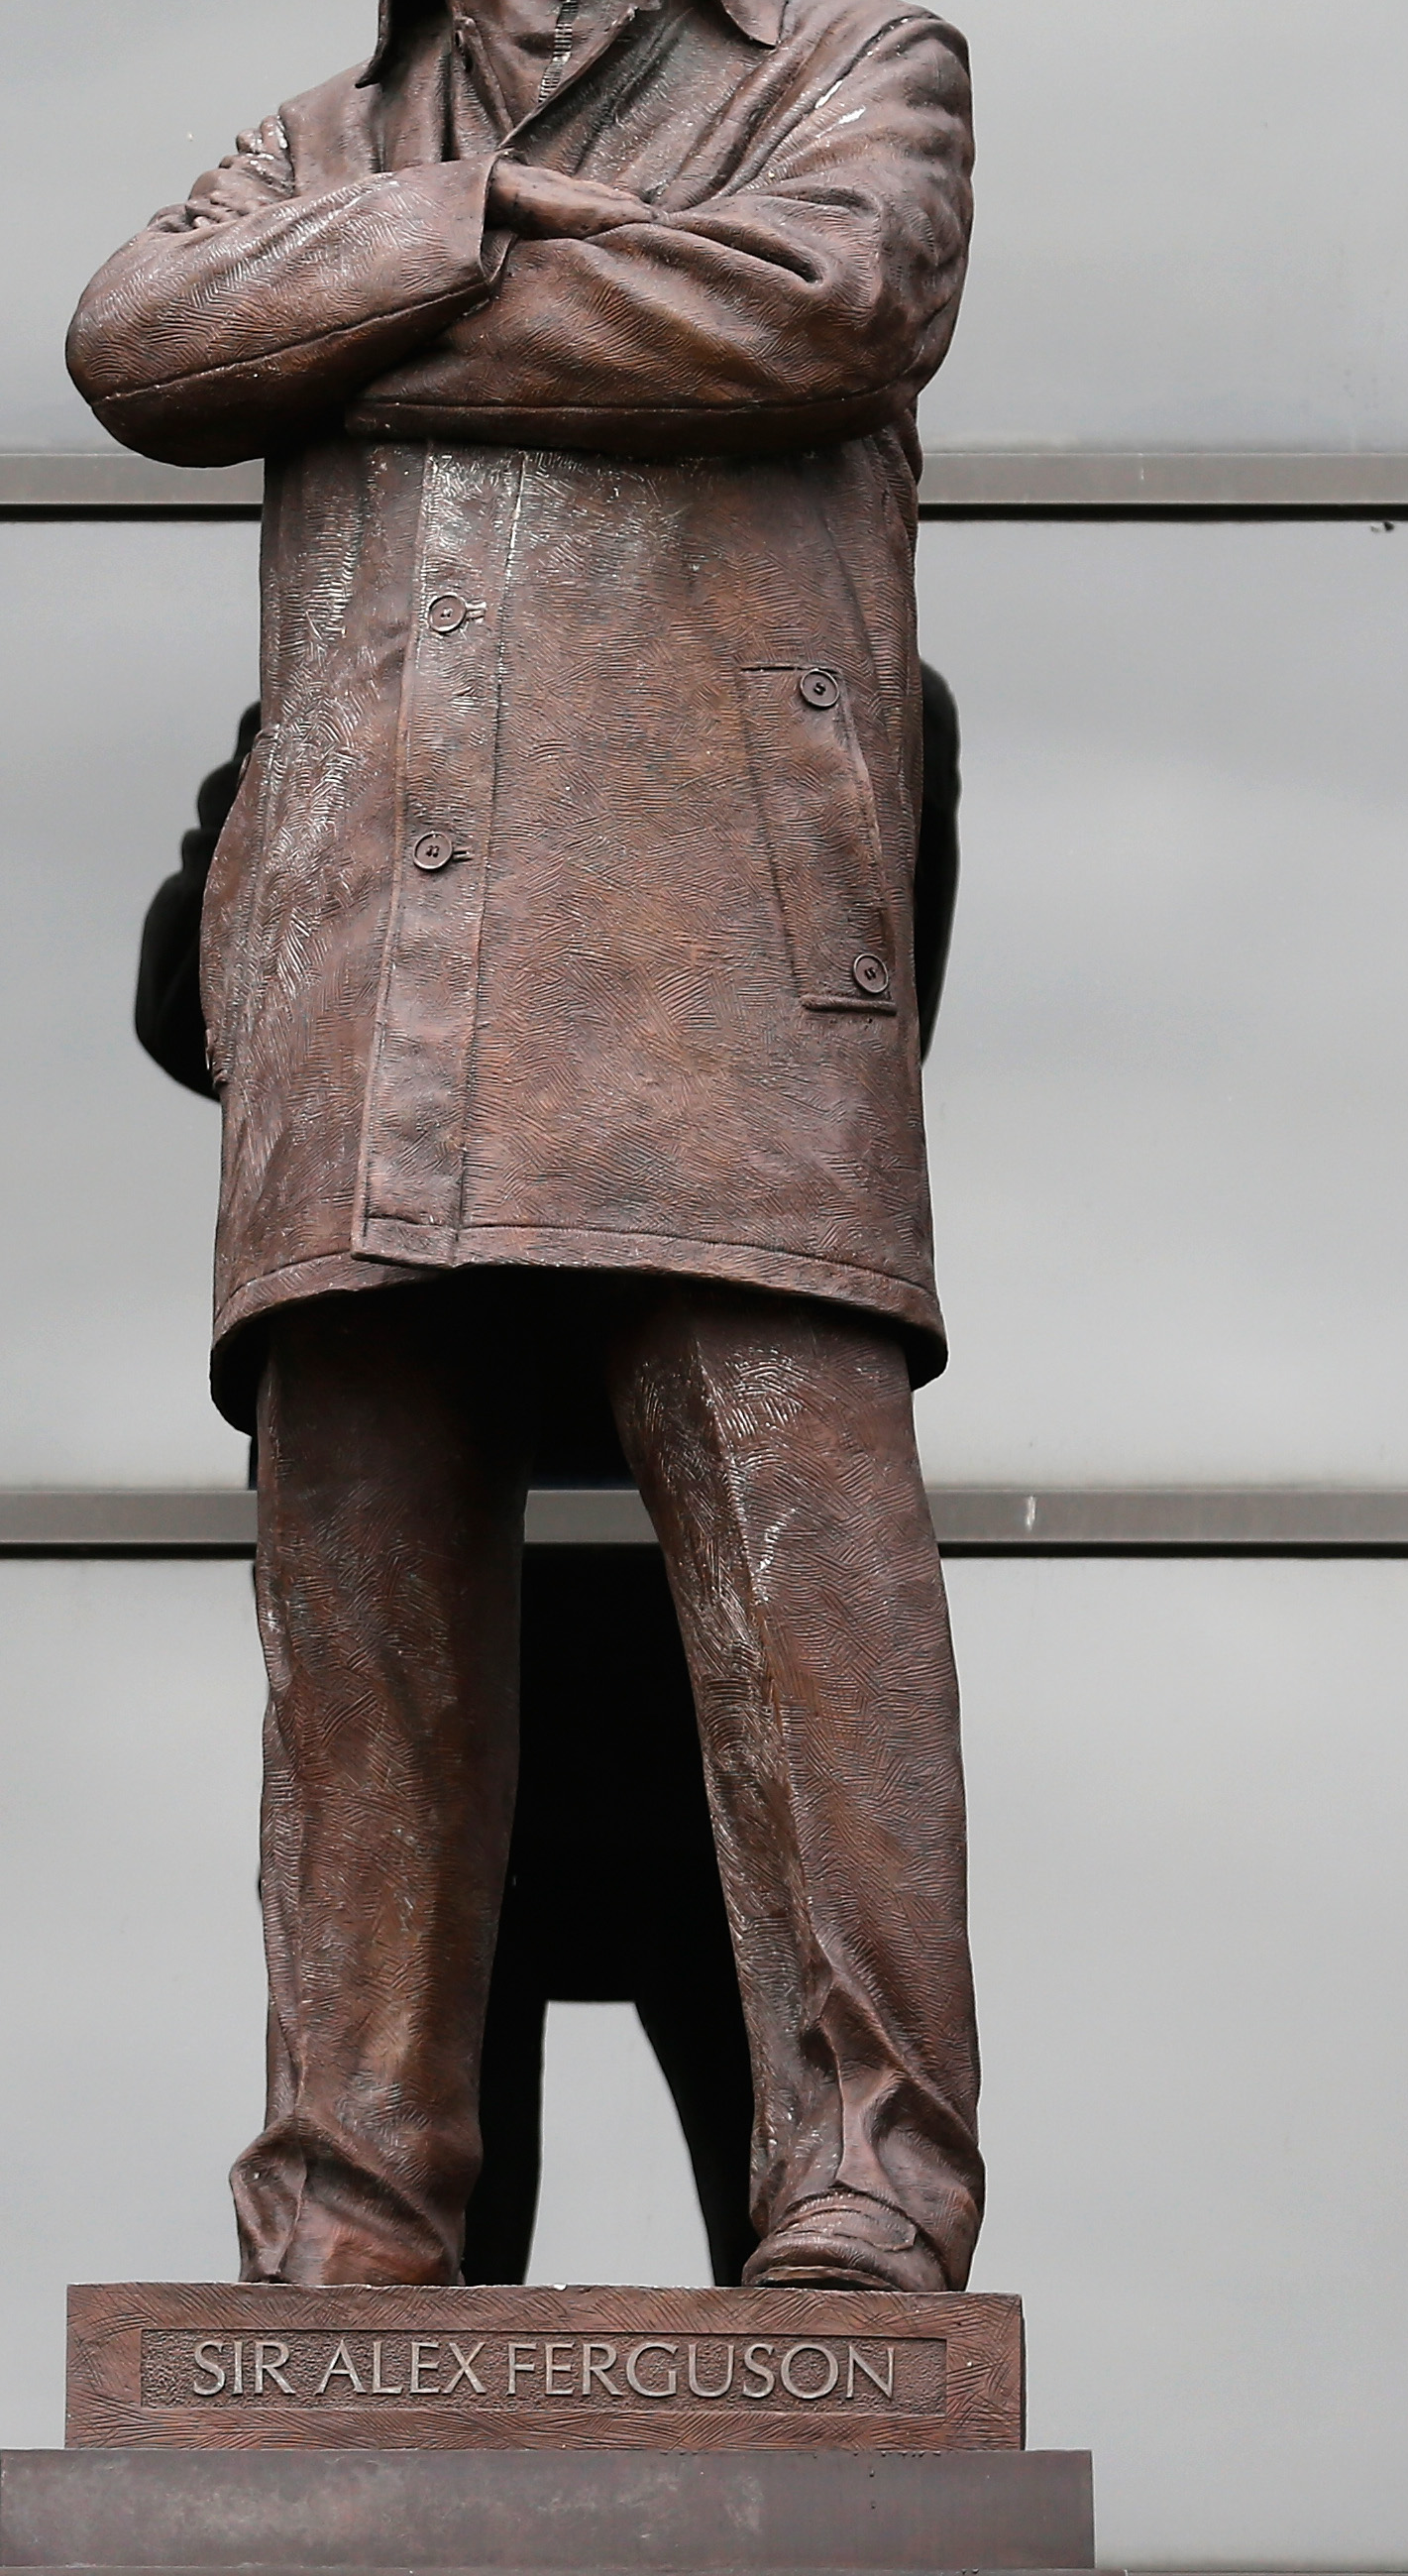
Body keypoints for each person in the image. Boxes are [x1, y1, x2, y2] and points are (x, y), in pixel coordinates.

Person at [68, 0, 982, 2295]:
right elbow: (135, 346)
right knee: (358, 1670)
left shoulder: (863, 59)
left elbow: (829, 309)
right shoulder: (318, 119)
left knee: (817, 1631)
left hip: (717, 988)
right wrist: (500, 236)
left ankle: (870, 2201)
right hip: (370, 1004)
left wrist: (371, 292)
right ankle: (345, 2216)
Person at [129, 678, 963, 2291]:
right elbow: (196, 1002)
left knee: (808, 2260)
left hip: (665, 1598)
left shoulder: (834, 676)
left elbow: (849, 1014)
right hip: (480, 1551)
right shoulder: (358, 695)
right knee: (406, 2251)